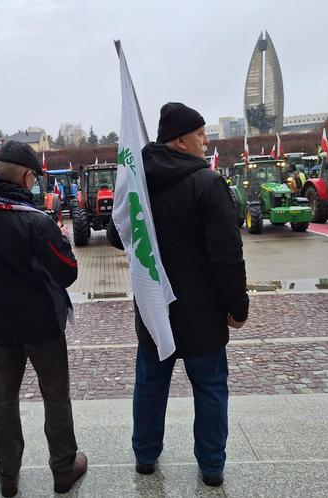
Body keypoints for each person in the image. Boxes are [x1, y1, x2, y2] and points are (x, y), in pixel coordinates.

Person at [107, 102, 249, 487]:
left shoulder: (138, 181)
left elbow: (117, 236)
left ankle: (145, 457)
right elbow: (227, 255)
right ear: (181, 141)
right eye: (201, 134)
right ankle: (212, 467)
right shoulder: (208, 183)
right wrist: (238, 307)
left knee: (151, 385)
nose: (206, 141)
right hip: (202, 312)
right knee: (210, 388)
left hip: (154, 308)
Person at [0, 140, 87, 497]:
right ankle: (63, 469)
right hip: (42, 325)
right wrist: (65, 243)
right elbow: (67, 272)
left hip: (0, 324)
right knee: (56, 397)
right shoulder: (36, 221)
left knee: (4, 400)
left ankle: (7, 475)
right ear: (27, 178)